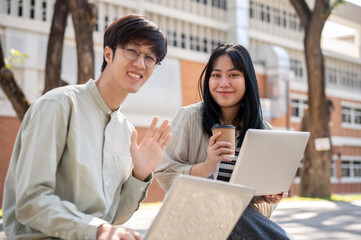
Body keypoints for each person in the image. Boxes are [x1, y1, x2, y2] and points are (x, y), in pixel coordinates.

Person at [2, 14, 171, 240]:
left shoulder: (125, 132)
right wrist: (97, 229)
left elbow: (112, 219)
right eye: (133, 51)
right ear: (108, 53)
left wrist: (139, 175)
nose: (141, 63)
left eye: (150, 58)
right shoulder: (58, 105)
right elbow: (31, 202)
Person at [154, 43, 290, 239]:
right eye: (216, 75)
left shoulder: (264, 131)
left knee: (233, 204)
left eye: (233, 75)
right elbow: (163, 172)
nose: (223, 83)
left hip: (231, 231)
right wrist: (206, 166)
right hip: (191, 223)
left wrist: (265, 197)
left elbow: (259, 216)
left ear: (247, 80)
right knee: (220, 200)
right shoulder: (189, 118)